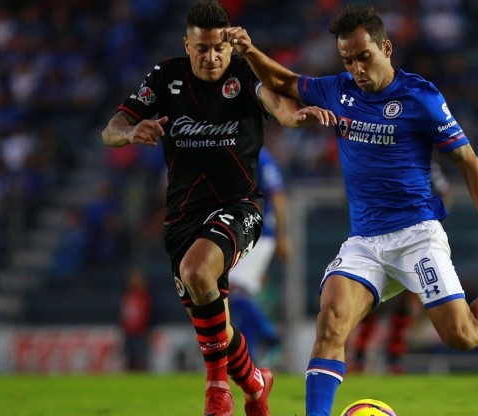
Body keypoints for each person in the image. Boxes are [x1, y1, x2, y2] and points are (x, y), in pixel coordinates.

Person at [223, 6, 478, 415]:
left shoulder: (420, 97)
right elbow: (283, 81)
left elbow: (469, 163)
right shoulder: (338, 90)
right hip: (365, 241)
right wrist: (249, 51)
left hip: (416, 235)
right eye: (347, 60)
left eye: (363, 57)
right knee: (332, 321)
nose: (356, 68)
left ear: (386, 48)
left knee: (461, 333)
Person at [101, 1, 334, 415]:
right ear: (186, 45)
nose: (211, 57)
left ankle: (217, 391)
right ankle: (256, 382)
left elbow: (279, 107)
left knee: (198, 271)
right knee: (218, 328)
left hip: (238, 206)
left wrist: (301, 117)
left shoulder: (244, 75)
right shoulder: (165, 77)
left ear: (230, 45)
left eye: (218, 48)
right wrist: (132, 130)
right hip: (182, 218)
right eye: (201, 48)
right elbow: (111, 130)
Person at [349, 160, 452, 374]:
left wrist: (431, 222)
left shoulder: (429, 166)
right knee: (370, 297)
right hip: (377, 236)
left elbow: (445, 193)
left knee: (405, 302)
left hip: (412, 240)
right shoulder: (378, 157)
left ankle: (394, 358)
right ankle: (359, 355)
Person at [228, 146, 289, 365]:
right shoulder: (228, 151)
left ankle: (269, 334)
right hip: (237, 233)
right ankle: (247, 360)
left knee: (233, 291)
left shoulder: (261, 156)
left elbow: (278, 195)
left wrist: (283, 236)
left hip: (261, 232)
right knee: (237, 295)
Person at [119, 268, 153, 372]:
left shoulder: (145, 295)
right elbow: (123, 313)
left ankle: (144, 379)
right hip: (128, 332)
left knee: (142, 359)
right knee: (129, 359)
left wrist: (148, 328)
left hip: (141, 333)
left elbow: (150, 313)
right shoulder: (127, 294)